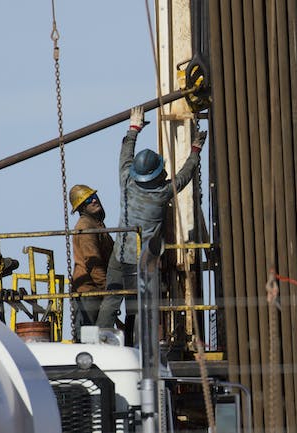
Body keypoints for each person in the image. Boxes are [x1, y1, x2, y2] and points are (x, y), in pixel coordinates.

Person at [98, 105, 207, 344]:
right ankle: (135, 343)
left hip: (120, 252)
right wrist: (196, 150)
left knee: (112, 297)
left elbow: (125, 153)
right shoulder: (162, 192)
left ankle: (99, 339)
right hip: (142, 259)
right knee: (137, 306)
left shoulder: (126, 181)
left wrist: (134, 127)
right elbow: (185, 175)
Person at [69, 184, 114, 334]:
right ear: (81, 207)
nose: (94, 201)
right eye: (88, 200)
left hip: (96, 289)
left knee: (101, 336)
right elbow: (93, 262)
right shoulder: (86, 227)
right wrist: (108, 291)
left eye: (94, 197)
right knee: (89, 340)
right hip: (88, 291)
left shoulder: (97, 224)